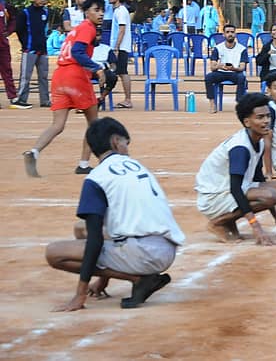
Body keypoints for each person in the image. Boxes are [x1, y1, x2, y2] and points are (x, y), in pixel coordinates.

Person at [45, 117, 185, 311]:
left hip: (145, 254)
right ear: (115, 142)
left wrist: (80, 295)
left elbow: (96, 241)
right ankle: (135, 276)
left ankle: (138, 279)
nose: (127, 148)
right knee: (81, 229)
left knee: (54, 253)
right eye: (126, 143)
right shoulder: (136, 166)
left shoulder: (97, 177)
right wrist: (102, 282)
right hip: (165, 248)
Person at [195, 92, 276, 245]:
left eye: (268, 116)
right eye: (260, 117)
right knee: (269, 195)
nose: (266, 121)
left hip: (234, 190)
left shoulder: (259, 141)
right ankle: (218, 222)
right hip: (215, 196)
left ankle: (229, 221)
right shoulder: (240, 148)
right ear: (247, 122)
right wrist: (256, 227)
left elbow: (259, 179)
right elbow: (236, 189)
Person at [23, 0, 106, 177]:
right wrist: (97, 69)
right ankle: (84, 164)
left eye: (102, 10)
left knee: (57, 124)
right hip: (75, 77)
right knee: (94, 124)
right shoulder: (87, 28)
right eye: (96, 10)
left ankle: (34, 152)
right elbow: (77, 52)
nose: (100, 13)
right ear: (86, 12)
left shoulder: (78, 29)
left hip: (60, 76)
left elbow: (77, 48)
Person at [11, 0, 50, 109]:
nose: (42, 0)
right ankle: (21, 99)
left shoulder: (46, 12)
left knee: (43, 76)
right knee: (26, 76)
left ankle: (45, 100)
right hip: (29, 49)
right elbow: (19, 29)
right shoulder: (25, 13)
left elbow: (43, 29)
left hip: (42, 49)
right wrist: (25, 44)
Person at [204, 24, 249, 113]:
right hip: (221, 73)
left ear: (235, 34)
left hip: (235, 73)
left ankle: (239, 104)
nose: (230, 34)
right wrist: (220, 66)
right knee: (209, 77)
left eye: (232, 32)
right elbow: (212, 67)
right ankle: (212, 103)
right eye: (227, 32)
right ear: (223, 34)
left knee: (242, 77)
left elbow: (242, 67)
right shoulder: (217, 48)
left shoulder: (242, 49)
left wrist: (234, 68)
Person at [107, 0, 134, 109]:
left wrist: (116, 47)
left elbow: (122, 30)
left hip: (121, 46)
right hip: (119, 46)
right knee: (120, 72)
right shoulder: (117, 10)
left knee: (123, 72)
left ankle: (128, 99)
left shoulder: (121, 11)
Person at [90, 34, 119, 110]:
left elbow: (113, 64)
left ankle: (101, 99)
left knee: (113, 77)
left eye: (98, 35)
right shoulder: (83, 48)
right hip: (87, 70)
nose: (96, 37)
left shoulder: (106, 48)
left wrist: (112, 70)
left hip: (103, 69)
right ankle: (83, 103)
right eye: (94, 35)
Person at [0, 0, 15, 108]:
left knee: (7, 71)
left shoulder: (4, 4)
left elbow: (14, 19)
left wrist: (8, 31)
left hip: (3, 44)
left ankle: (13, 97)